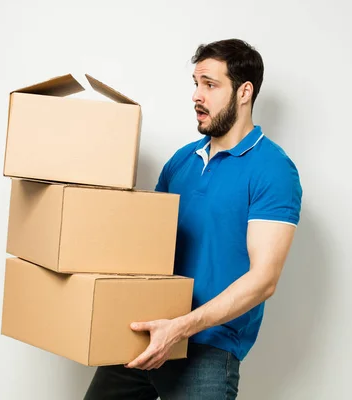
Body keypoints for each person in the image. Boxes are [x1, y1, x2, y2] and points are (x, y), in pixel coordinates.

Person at [84, 38, 303, 400]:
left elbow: (264, 280)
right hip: (146, 333)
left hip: (209, 348)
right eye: (195, 83)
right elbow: (148, 244)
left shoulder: (273, 170)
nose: (196, 96)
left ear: (244, 92)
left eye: (210, 85)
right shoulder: (182, 160)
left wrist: (181, 328)